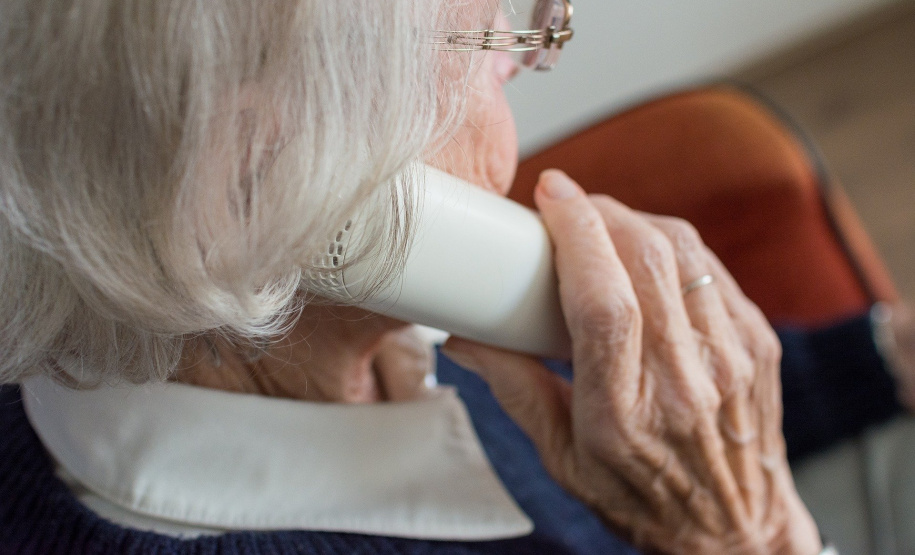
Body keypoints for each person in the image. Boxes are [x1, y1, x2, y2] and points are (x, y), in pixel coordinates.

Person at [5, 0, 897, 553]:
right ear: (260, 182)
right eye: (485, 28)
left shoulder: (359, 314)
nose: (527, 53)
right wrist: (750, 535)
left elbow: (637, 410)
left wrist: (877, 353)